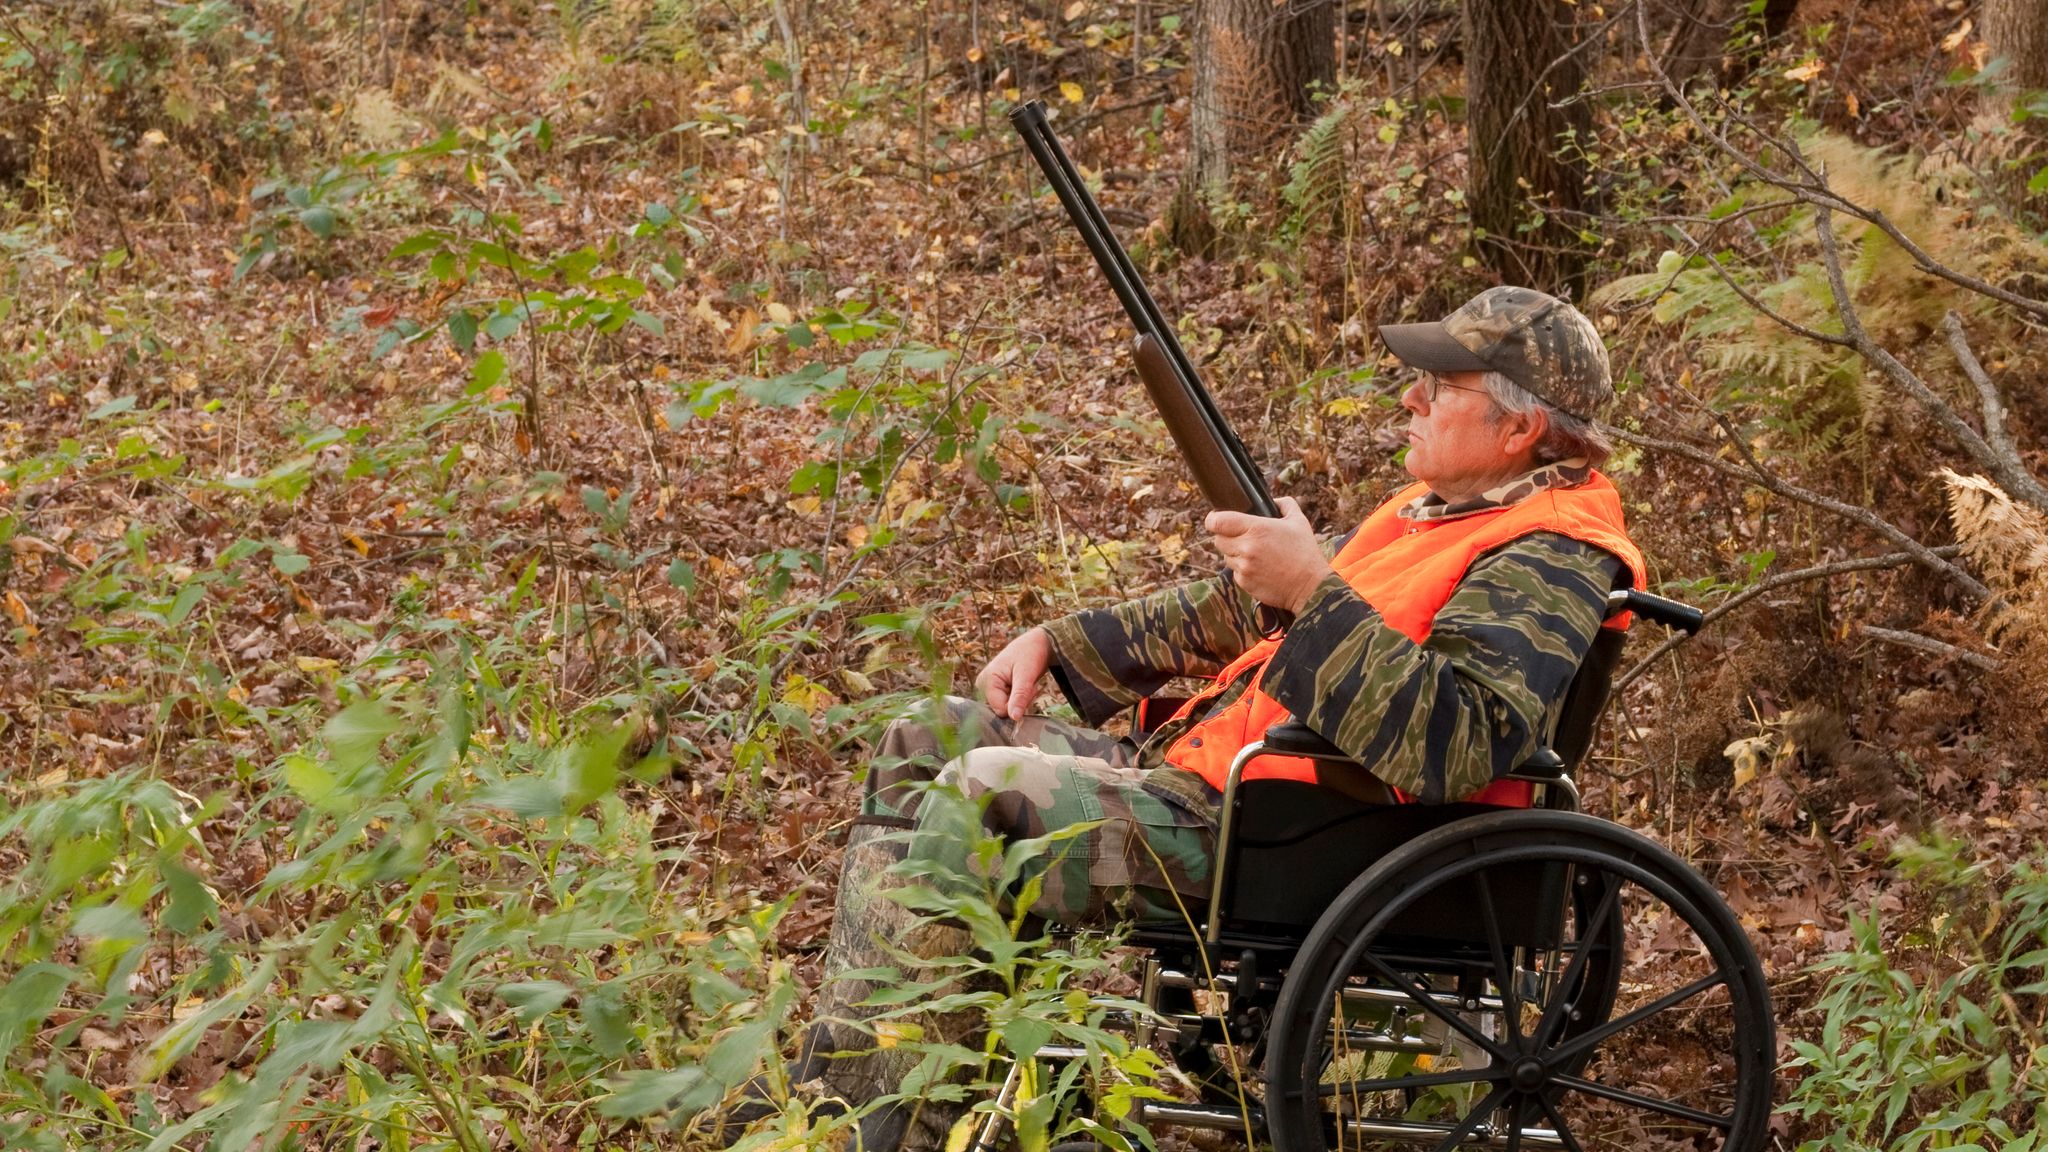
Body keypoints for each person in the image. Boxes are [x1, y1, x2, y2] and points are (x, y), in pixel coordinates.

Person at [715, 286, 1647, 1151]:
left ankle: (892, 1125)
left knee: (980, 790)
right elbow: (1243, 609)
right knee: (929, 733)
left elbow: (1461, 739)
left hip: (1300, 832)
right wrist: (1062, 642)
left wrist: (1313, 590)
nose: (1408, 400)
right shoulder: (1430, 514)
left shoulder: (1552, 554)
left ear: (1520, 426)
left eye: (1438, 388)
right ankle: (849, 1083)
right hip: (1238, 791)